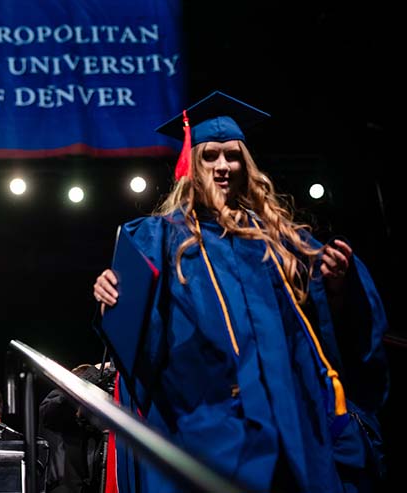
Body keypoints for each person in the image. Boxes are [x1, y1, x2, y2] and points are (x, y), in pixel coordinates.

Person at [92, 91, 389, 493]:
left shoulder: (280, 239)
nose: (223, 166)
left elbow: (327, 328)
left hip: (285, 420)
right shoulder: (158, 237)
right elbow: (132, 326)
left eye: (232, 156)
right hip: (203, 423)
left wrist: (337, 285)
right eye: (210, 155)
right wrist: (109, 291)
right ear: (191, 164)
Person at [38, 363, 116, 493]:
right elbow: (56, 408)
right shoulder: (57, 404)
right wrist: (95, 372)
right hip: (61, 488)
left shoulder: (92, 424)